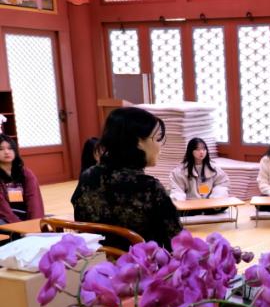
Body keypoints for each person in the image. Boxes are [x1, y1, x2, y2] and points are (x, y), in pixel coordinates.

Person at [71, 107, 182, 250]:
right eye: (157, 138)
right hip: (139, 262)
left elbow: (83, 227)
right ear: (138, 142)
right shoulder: (149, 187)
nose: (160, 145)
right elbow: (177, 242)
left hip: (98, 261)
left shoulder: (88, 177)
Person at [169, 137, 230, 215]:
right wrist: (180, 203)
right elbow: (177, 190)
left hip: (210, 204)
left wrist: (215, 199)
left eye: (204, 149)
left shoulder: (214, 168)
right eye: (197, 149)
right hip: (190, 204)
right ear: (191, 151)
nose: (201, 152)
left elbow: (222, 184)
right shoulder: (180, 171)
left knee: (223, 200)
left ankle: (206, 210)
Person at [0, 134, 45, 224]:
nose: (7, 152)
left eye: (10, 148)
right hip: (6, 218)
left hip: (26, 216)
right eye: (1, 149)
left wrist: (34, 223)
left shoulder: (26, 173)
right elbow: (2, 207)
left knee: (53, 220)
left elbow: (34, 199)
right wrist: (19, 226)